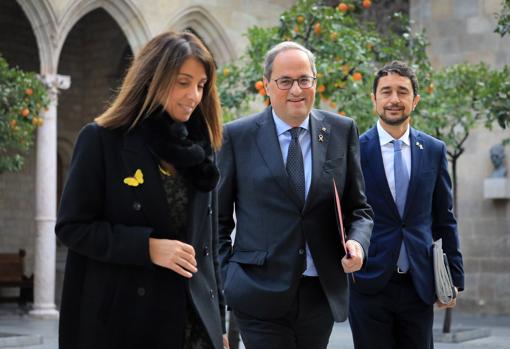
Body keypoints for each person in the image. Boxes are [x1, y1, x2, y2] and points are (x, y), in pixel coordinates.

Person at [56, 31, 228, 349]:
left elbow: (207, 249)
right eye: (183, 82)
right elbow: (72, 228)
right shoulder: (102, 139)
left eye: (201, 85)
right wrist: (146, 247)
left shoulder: (202, 152)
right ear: (152, 79)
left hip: (195, 325)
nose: (194, 95)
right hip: (128, 321)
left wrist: (220, 325)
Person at [217, 41, 373, 349]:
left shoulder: (341, 130)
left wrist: (357, 243)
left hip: (320, 291)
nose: (296, 90)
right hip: (256, 292)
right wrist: (228, 279)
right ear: (267, 86)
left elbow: (360, 209)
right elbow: (217, 222)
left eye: (304, 79)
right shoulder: (237, 136)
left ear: (316, 81)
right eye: (285, 81)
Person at [349, 61, 465, 349]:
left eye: (402, 92)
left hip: (419, 283)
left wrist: (455, 276)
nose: (394, 100)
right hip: (369, 282)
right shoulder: (352, 150)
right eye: (386, 91)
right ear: (373, 98)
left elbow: (444, 217)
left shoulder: (434, 150)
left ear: (415, 100)